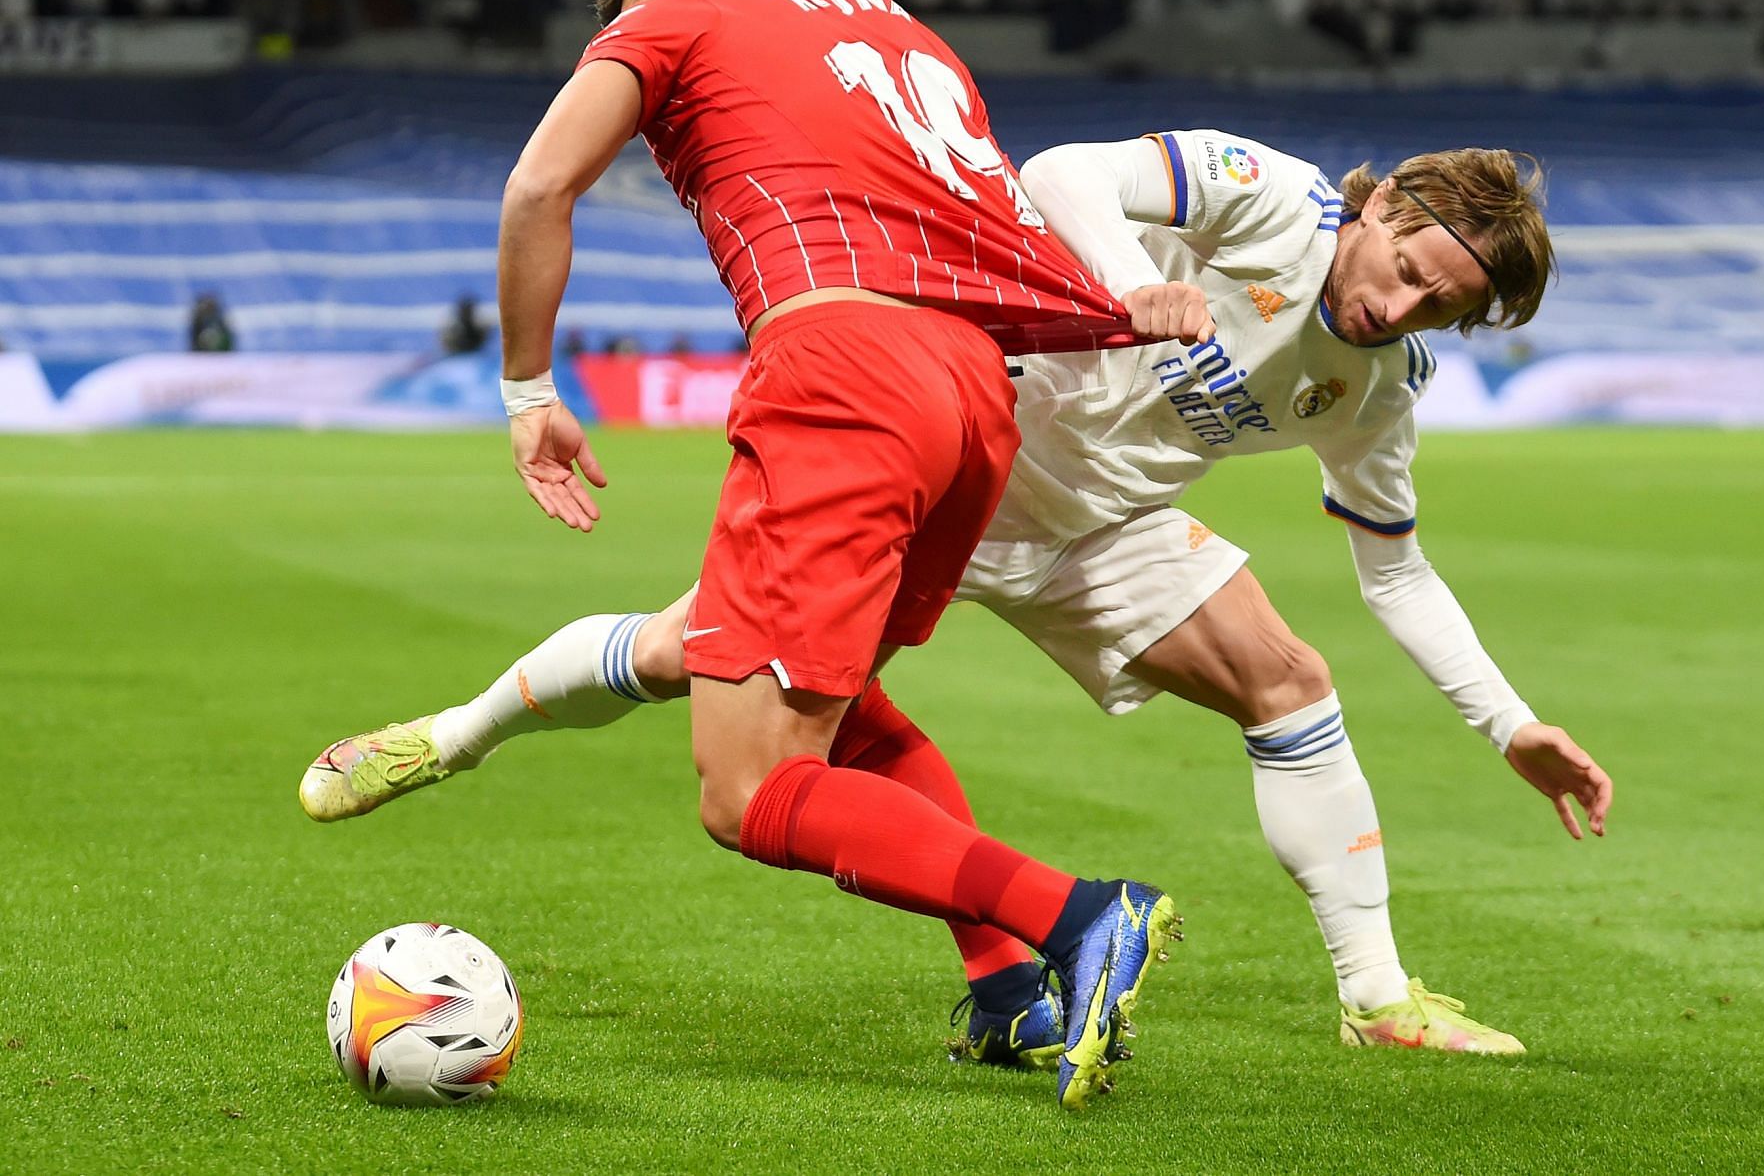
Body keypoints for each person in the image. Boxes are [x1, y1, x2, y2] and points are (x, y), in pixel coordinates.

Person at [303, 125, 1613, 1062]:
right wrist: (1119, 282)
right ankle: (454, 734)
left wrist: (1510, 724)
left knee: (1291, 682)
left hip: (1101, 528)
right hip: (952, 456)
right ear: (1384, 209)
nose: (1399, 308)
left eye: (1438, 309)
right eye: (1409, 269)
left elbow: (1393, 562)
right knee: (683, 659)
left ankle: (1376, 994)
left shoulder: (1380, 387)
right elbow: (1061, 175)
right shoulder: (1270, 195)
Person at [299, 0, 1207, 1111]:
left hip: (841, 375)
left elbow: (537, 188)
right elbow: (993, 221)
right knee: (824, 704)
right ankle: (1006, 991)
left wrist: (528, 395)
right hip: (973, 398)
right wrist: (1116, 298)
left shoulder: (684, 13)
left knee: (749, 790)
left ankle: (1082, 919)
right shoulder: (905, 35)